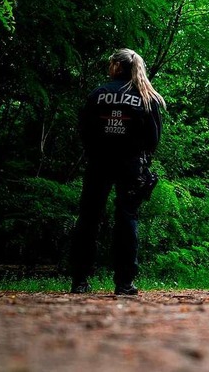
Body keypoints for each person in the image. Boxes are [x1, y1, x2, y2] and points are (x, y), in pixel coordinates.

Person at [70, 48, 165, 295]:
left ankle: (79, 281)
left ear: (116, 67)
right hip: (130, 164)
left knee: (89, 218)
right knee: (127, 218)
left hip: (99, 162)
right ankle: (124, 283)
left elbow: (84, 130)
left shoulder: (98, 94)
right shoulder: (146, 97)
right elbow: (153, 139)